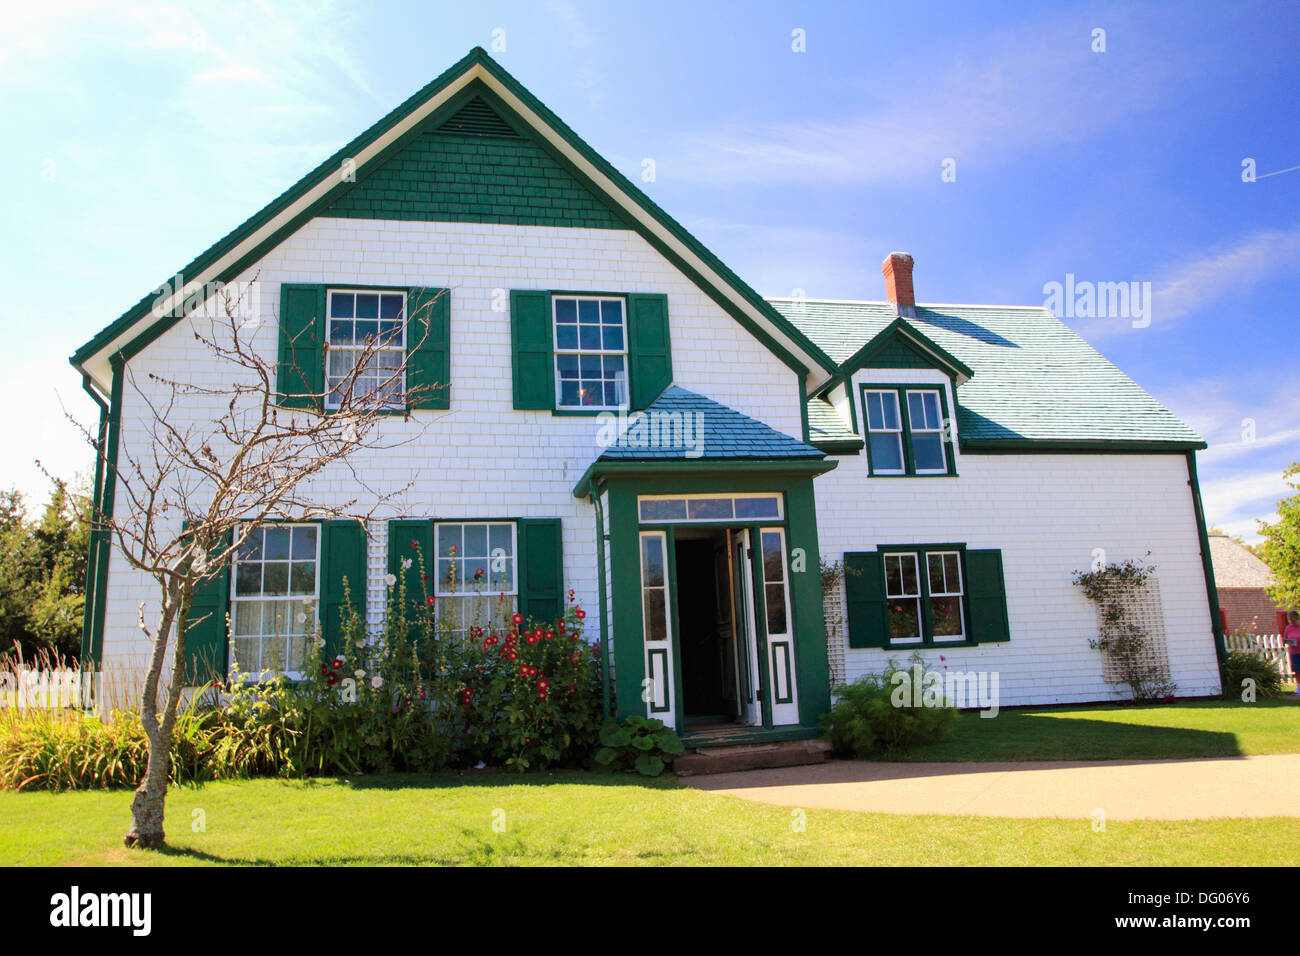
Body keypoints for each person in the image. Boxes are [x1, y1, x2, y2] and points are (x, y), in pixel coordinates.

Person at [1285, 610, 1300, 694]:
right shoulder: (1288, 628)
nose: (1291, 622)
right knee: (1297, 670)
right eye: (1290, 620)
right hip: (1293, 652)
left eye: (1293, 620)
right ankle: (1299, 687)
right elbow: (1285, 638)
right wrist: (1287, 641)